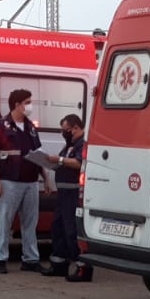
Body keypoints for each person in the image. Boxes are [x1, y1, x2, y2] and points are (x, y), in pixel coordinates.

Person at [0, 89, 49, 275]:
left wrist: (45, 178)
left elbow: (38, 155)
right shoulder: (0, 126)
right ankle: (0, 259)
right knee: (3, 221)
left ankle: (30, 259)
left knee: (30, 222)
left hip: (30, 181)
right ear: (17, 104)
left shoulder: (30, 127)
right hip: (9, 180)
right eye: (27, 102)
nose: (30, 106)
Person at [45, 113, 88, 280]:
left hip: (73, 194)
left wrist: (60, 160)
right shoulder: (69, 145)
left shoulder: (82, 144)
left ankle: (83, 268)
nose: (64, 133)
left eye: (66, 130)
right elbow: (65, 162)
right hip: (63, 194)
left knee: (72, 231)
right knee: (58, 229)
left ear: (76, 127)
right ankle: (59, 264)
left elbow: (78, 163)